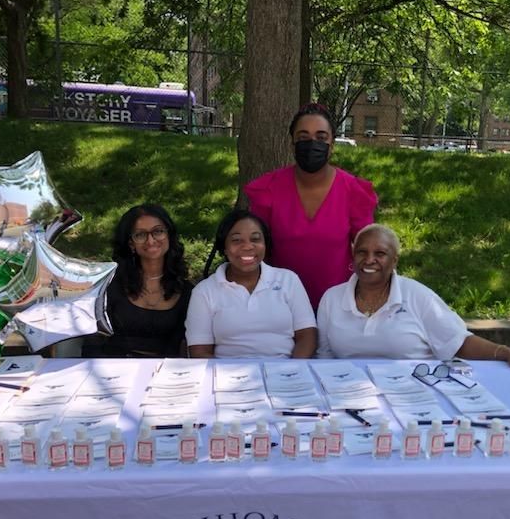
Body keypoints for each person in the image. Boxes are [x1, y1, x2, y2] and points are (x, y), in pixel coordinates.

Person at [316, 224, 510, 374]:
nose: (369, 260)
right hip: (349, 396)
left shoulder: (418, 296)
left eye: (380, 254)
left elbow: (458, 343)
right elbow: (323, 358)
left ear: (394, 260)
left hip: (413, 394)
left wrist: (501, 352)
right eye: (362, 252)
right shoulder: (332, 298)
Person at [245, 103, 378, 309]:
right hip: (279, 305)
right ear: (292, 144)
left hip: (339, 306)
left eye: (321, 137)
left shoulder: (353, 192)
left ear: (332, 144)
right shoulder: (268, 189)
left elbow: (370, 251)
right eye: (304, 137)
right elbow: (255, 252)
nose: (312, 143)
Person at [185, 209, 317, 358]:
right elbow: (199, 350)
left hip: (285, 372)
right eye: (237, 240)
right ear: (224, 248)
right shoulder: (204, 291)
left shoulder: (288, 280)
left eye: (255, 239)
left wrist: (291, 371)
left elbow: (307, 336)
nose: (247, 246)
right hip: (227, 375)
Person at [84, 204, 192, 358]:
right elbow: (92, 343)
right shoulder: (109, 286)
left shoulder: (188, 291)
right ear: (130, 243)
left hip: (165, 375)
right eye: (140, 235)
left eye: (158, 231)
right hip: (112, 371)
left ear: (169, 235)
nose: (151, 240)